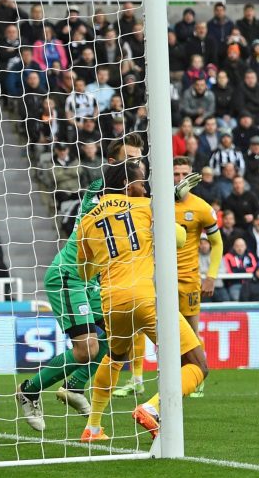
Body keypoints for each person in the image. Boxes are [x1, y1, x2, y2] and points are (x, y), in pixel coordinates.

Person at [15, 135, 144, 431]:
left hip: (93, 280)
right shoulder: (101, 191)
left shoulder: (131, 194)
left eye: (139, 159)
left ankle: (74, 386)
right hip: (71, 275)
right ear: (113, 164)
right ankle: (29, 389)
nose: (138, 165)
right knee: (86, 348)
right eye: (131, 159)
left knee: (115, 338)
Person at [77, 159, 207, 442]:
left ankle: (93, 427)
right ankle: (151, 407)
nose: (145, 186)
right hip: (146, 297)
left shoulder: (87, 219)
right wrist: (164, 208)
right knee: (197, 363)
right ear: (127, 185)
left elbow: (83, 270)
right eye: (141, 181)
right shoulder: (143, 207)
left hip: (111, 301)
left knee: (114, 357)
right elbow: (180, 239)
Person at [113, 157, 222, 400]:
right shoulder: (153, 204)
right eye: (175, 173)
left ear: (190, 175)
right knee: (140, 327)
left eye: (184, 173)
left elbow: (217, 242)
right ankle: (137, 380)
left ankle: (195, 377)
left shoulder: (202, 207)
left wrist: (211, 276)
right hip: (153, 275)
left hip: (186, 278)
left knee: (191, 331)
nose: (179, 178)